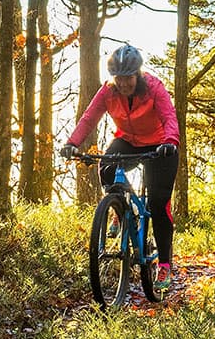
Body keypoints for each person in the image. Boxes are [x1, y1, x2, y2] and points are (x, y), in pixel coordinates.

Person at [62, 44, 180, 289]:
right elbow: (89, 117)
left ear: (138, 74)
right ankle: (118, 209)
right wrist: (72, 142)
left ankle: (165, 266)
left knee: (158, 205)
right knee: (105, 167)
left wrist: (170, 142)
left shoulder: (154, 88)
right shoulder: (108, 92)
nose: (124, 84)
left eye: (128, 78)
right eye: (119, 79)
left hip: (160, 146)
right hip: (127, 140)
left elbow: (169, 116)